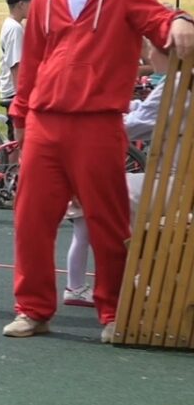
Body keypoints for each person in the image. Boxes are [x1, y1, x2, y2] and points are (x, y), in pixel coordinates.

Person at [2, 0, 194, 342]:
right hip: (46, 123)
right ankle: (32, 309)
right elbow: (32, 62)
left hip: (98, 123)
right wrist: (20, 118)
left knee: (107, 221)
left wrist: (181, 20)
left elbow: (160, 21)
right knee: (31, 218)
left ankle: (113, 312)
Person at [63, 40, 177, 309]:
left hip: (172, 182)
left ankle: (123, 284)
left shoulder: (176, 85)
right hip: (175, 179)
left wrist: (98, 116)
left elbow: (135, 126)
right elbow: (145, 113)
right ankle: (123, 280)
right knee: (99, 192)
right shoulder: (177, 83)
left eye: (150, 47)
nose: (147, 53)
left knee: (101, 191)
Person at [0, 0, 32, 141]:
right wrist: (22, 97)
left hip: (12, 90)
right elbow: (16, 64)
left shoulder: (11, 24)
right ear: (21, 4)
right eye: (31, 2)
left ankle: (10, 165)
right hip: (14, 91)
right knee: (18, 138)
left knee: (15, 137)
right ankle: (10, 166)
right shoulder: (15, 29)